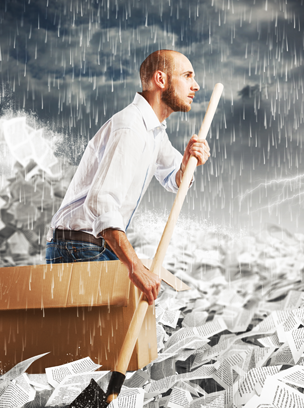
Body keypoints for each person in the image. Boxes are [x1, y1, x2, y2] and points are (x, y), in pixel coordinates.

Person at [46, 50, 210, 304]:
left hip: (95, 246)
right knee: (98, 341)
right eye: (187, 76)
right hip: (79, 248)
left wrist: (187, 163)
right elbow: (101, 201)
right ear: (160, 79)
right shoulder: (130, 127)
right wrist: (135, 267)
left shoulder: (154, 131)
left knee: (117, 336)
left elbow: (174, 179)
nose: (196, 86)